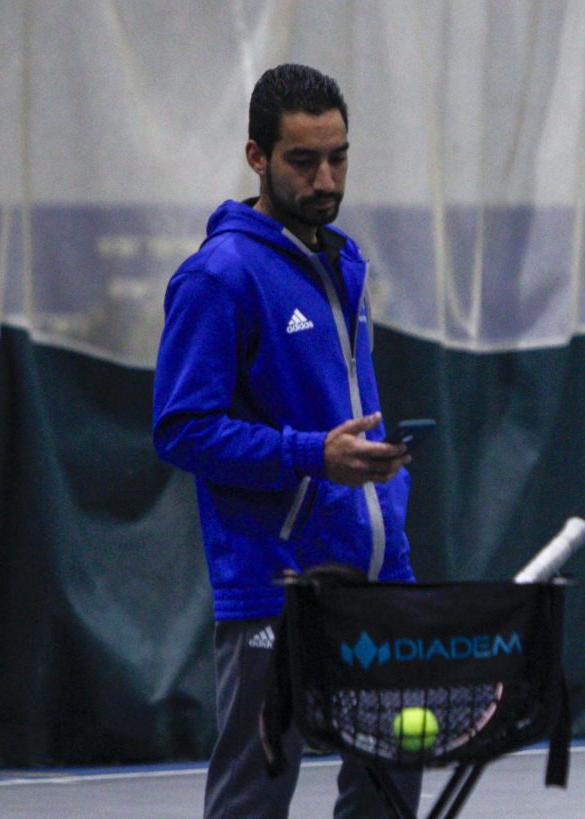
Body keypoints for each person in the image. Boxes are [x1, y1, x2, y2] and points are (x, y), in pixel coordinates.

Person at [152, 63, 422, 818]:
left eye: (338, 156)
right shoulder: (218, 275)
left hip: (375, 576)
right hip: (275, 583)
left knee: (392, 782)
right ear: (257, 157)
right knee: (254, 793)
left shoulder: (345, 261)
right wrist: (312, 455)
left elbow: (343, 403)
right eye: (303, 160)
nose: (326, 176)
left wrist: (386, 485)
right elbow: (181, 428)